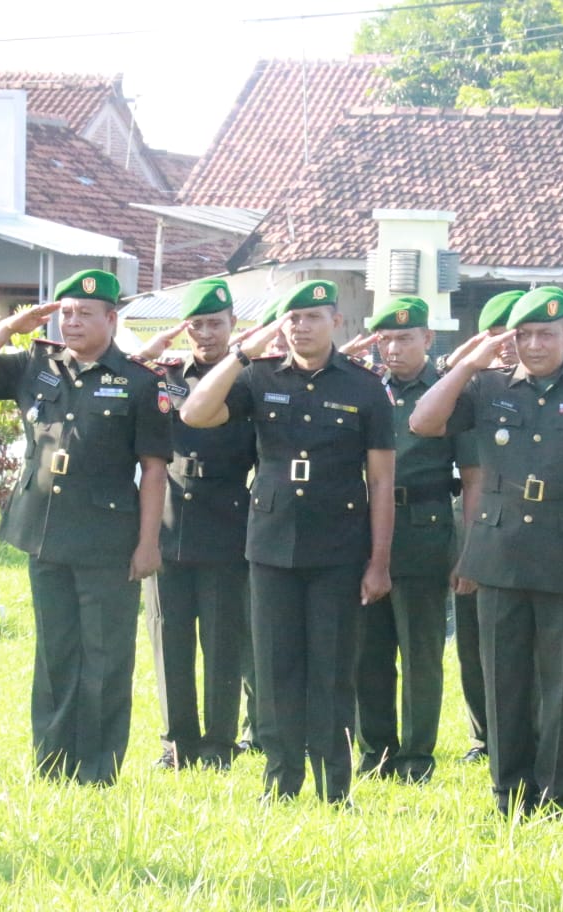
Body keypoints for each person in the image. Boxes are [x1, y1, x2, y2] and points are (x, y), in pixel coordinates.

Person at [410, 286, 563, 818]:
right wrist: (468, 364)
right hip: (500, 545)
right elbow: (423, 421)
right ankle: (508, 790)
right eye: (524, 335)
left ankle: (558, 792)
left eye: (546, 334)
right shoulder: (486, 387)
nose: (534, 345)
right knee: (503, 676)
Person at [0, 268, 170, 786]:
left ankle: (97, 768)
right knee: (54, 653)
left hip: (107, 539)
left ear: (111, 319)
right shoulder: (36, 366)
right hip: (43, 532)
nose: (71, 322)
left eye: (85, 314)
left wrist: (148, 543)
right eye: (65, 312)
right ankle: (52, 764)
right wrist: (10, 328)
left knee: (105, 656)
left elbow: (154, 469)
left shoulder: (140, 383)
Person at [180, 278, 395, 804]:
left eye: (313, 317)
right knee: (276, 670)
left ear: (336, 323)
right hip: (271, 545)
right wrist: (238, 353)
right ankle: (281, 780)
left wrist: (380, 561)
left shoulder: (365, 388)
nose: (301, 326)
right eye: (291, 318)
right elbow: (194, 413)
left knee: (331, 670)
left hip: (339, 547)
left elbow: (382, 481)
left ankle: (333, 786)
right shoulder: (257, 377)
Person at [353, 296, 480, 783]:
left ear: (428, 339)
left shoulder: (447, 392)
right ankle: (375, 751)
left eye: (405, 338)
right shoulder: (365, 388)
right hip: (363, 528)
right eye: (385, 339)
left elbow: (472, 479)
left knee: (421, 650)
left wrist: (467, 551)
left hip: (425, 529)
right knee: (369, 650)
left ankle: (416, 757)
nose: (394, 348)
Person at [134, 279, 257, 771]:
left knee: (225, 637)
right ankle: (177, 742)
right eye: (198, 325)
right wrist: (144, 355)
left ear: (232, 325)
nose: (206, 334)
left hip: (227, 512)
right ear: (185, 328)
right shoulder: (164, 375)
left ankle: (221, 743)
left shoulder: (249, 378)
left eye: (215, 324)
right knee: (169, 633)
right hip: (167, 512)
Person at [447, 289, 523, 764]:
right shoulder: (474, 389)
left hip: (530, 522)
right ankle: (484, 733)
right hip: (474, 521)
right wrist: (476, 354)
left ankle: (520, 729)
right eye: (501, 337)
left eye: (518, 336)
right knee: (473, 638)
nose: (510, 346)